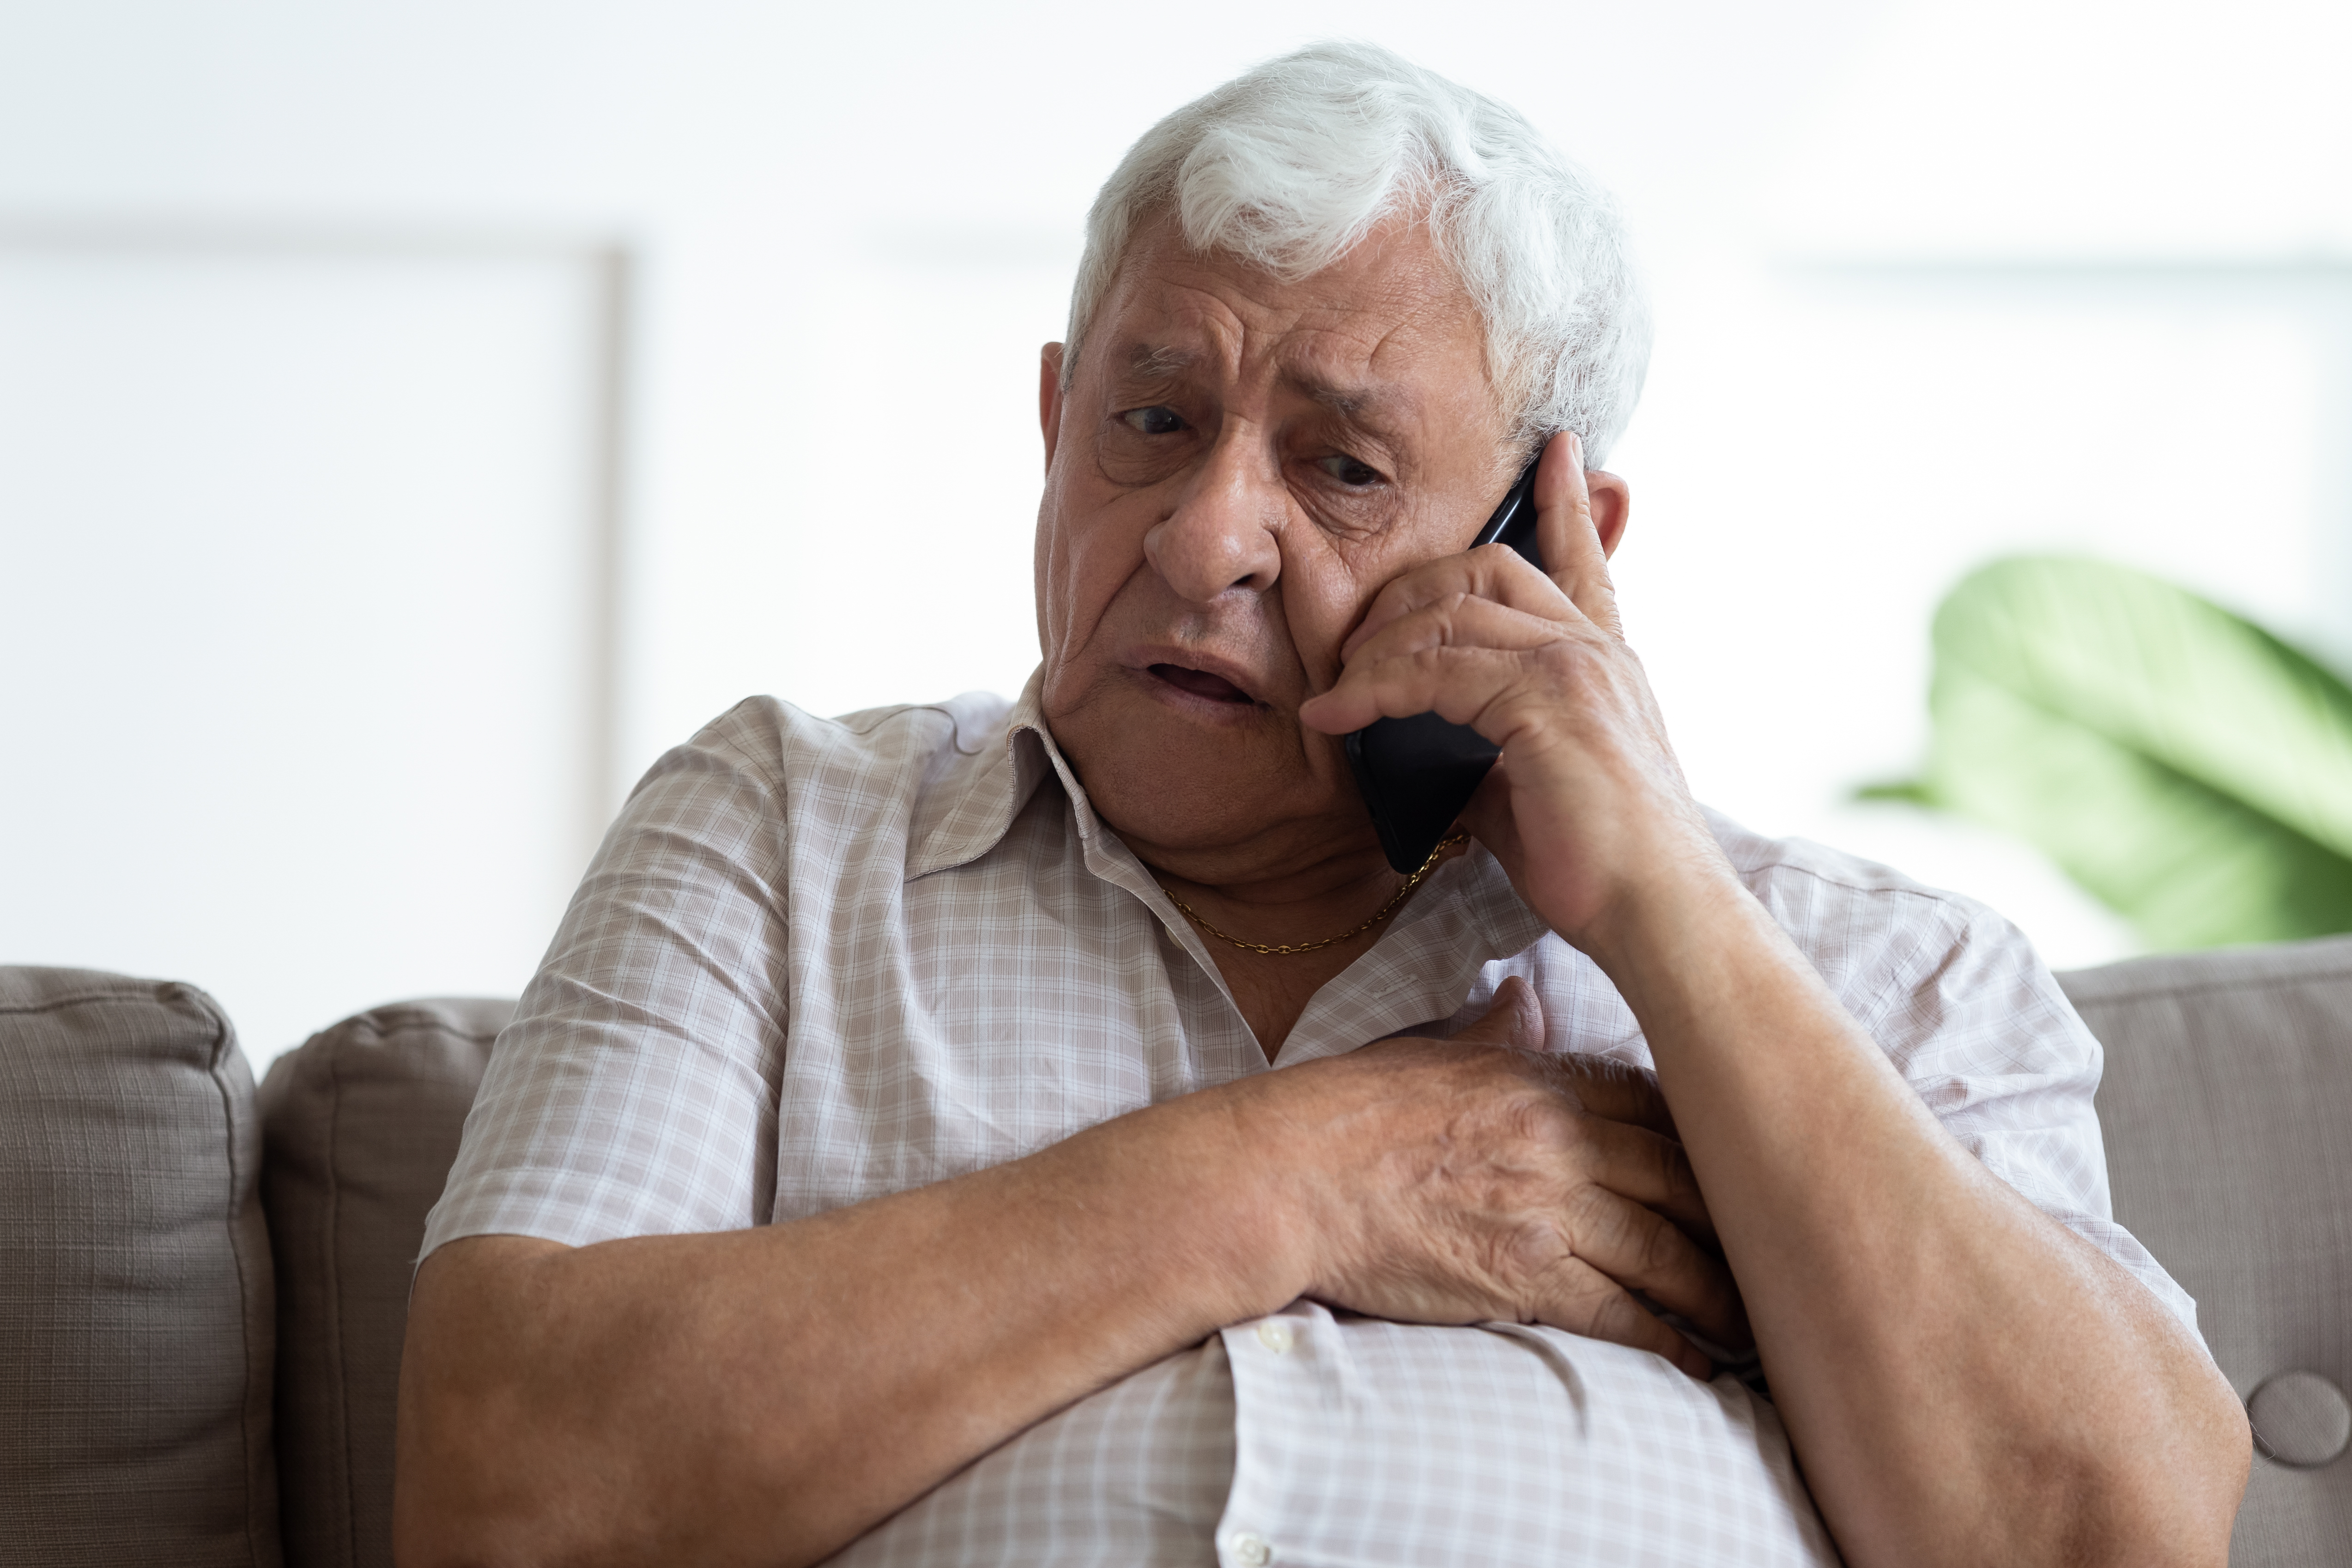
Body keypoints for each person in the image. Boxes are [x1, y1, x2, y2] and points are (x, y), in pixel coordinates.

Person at [394, 40, 2249, 1568]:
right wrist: (1328, 1173)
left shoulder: (1882, 977)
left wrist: (1670, 913)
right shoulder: (784, 836)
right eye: (1151, 421)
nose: (1204, 537)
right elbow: (508, 1495)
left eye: (1343, 468)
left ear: (1557, 547)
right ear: (1055, 427)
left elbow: (2104, 1541)